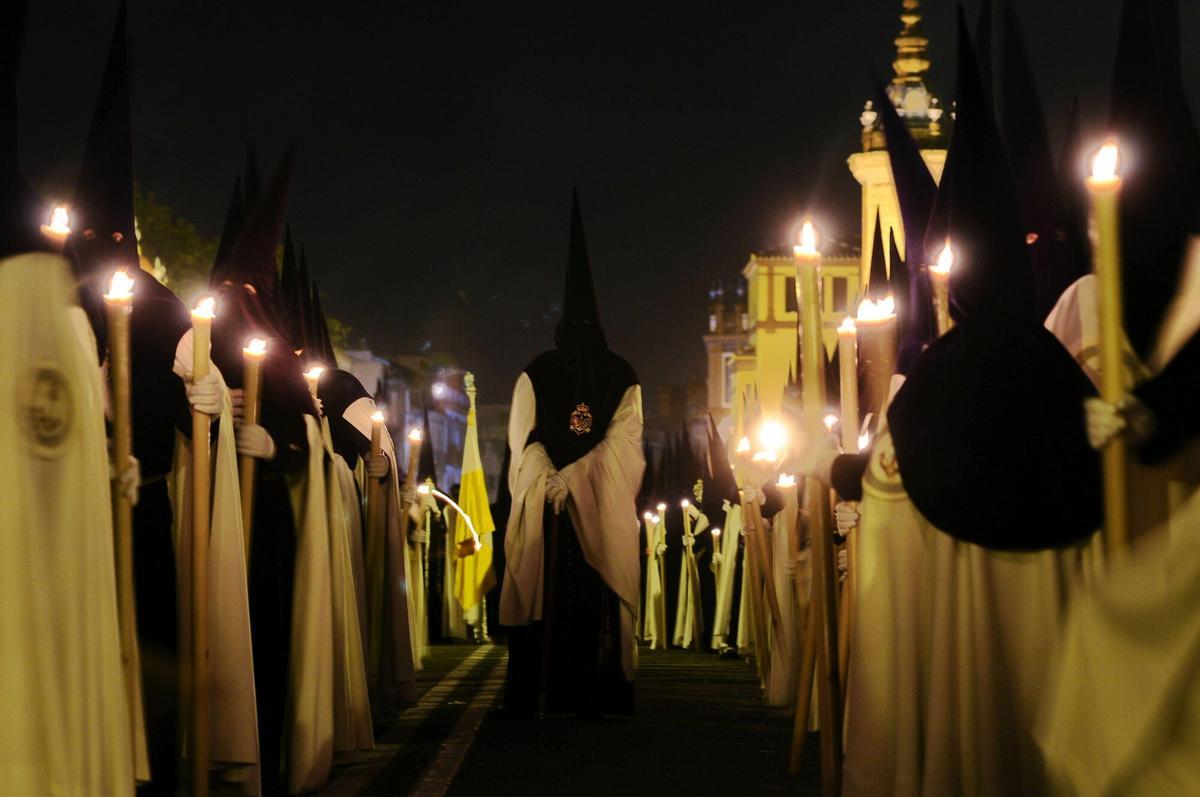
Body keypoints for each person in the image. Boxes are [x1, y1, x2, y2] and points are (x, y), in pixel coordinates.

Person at [500, 191, 645, 718]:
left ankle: (595, 691)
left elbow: (625, 443)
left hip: (590, 514)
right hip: (549, 510)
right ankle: (540, 690)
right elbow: (524, 441)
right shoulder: (538, 372)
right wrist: (545, 476)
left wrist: (576, 479)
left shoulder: (620, 376)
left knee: (591, 598)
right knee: (545, 589)